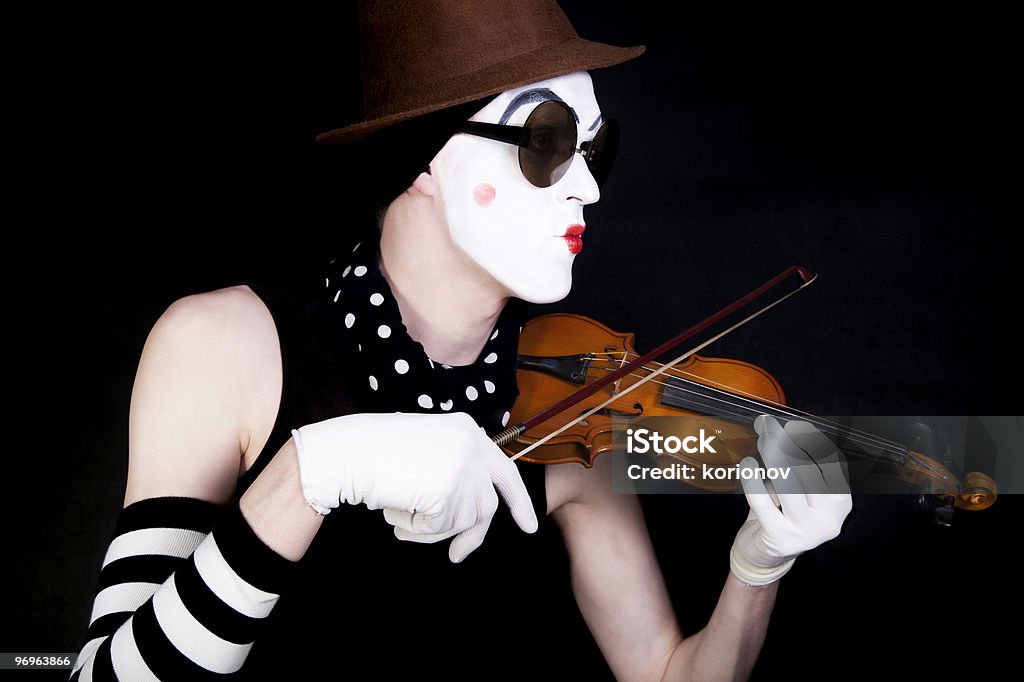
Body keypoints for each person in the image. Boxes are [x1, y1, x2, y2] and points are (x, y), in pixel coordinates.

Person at [70, 1, 851, 679]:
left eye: (594, 147)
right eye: (544, 142)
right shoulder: (222, 346)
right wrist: (316, 469)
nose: (588, 185)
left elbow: (665, 674)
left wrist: (759, 563)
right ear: (422, 161)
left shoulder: (569, 410)